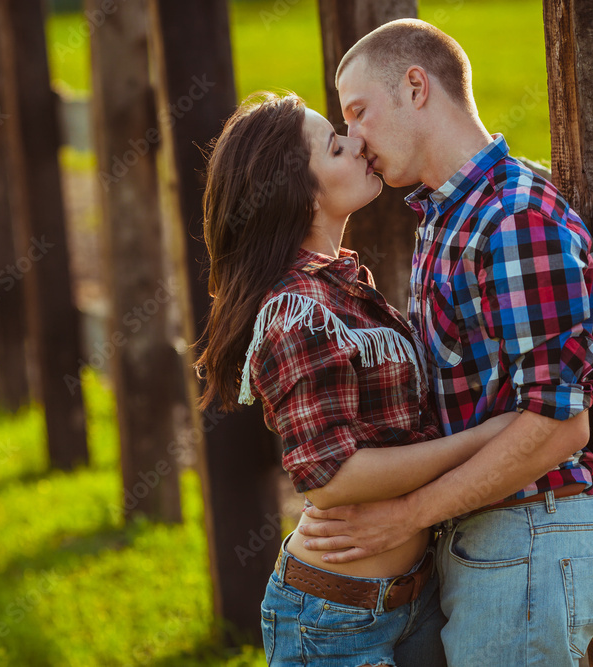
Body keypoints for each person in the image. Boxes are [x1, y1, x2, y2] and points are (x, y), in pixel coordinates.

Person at [297, 19, 593, 666]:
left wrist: (408, 513)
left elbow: (559, 425)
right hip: (489, 537)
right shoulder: (448, 215)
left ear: (416, 87)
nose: (353, 139)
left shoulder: (513, 219)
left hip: (525, 533)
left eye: (359, 112)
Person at [196, 91, 518, 667]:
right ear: (296, 190)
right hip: (335, 622)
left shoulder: (342, 285)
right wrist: (484, 439)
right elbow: (332, 477)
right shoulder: (298, 309)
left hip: (412, 599)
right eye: (335, 146)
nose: (358, 144)